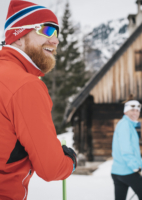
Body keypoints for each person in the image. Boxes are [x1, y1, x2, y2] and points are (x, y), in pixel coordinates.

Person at [0, 1, 77, 199]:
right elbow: (51, 168)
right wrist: (70, 160)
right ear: (18, 35)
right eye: (47, 30)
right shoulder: (25, 85)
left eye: (57, 33)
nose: (55, 40)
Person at [111, 96, 142, 200]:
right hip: (129, 172)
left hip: (118, 172)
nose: (135, 113)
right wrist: (135, 166)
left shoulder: (127, 125)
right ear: (125, 111)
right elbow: (126, 150)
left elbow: (135, 154)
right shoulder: (125, 125)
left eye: (137, 110)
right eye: (132, 110)